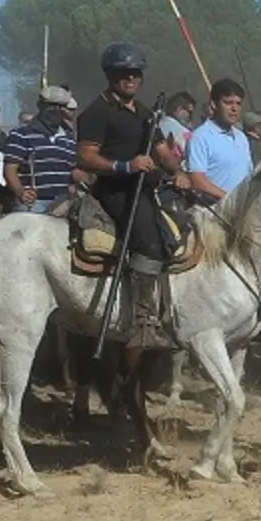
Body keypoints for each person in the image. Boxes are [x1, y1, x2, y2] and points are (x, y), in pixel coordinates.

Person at [76, 43, 189, 349]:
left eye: (136, 73)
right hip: (116, 191)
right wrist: (125, 165)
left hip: (150, 189)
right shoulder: (96, 112)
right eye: (124, 73)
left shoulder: (144, 113)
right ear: (111, 75)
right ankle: (142, 321)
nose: (131, 78)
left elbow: (164, 153)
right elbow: (85, 157)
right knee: (150, 241)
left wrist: (178, 171)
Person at [2, 86, 85, 214]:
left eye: (60, 107)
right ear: (40, 106)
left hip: (64, 204)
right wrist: (21, 191)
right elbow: (10, 168)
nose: (56, 110)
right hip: (34, 204)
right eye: (51, 106)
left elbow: (74, 170)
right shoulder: (21, 135)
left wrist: (86, 180)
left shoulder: (69, 140)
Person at [186, 78, 253, 201]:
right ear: (214, 105)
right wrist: (229, 200)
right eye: (228, 103)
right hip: (212, 212)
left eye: (238, 103)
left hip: (241, 212)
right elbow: (197, 181)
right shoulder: (200, 137)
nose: (234, 108)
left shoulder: (241, 137)